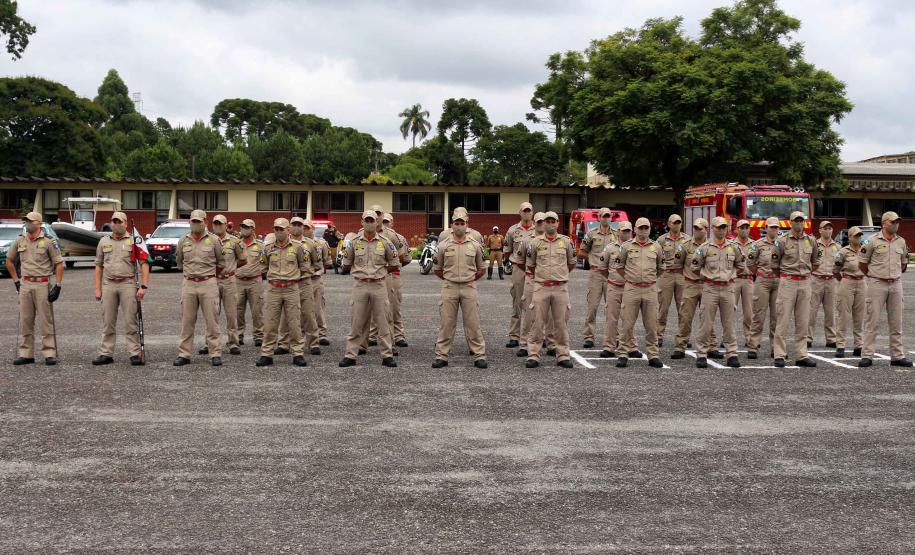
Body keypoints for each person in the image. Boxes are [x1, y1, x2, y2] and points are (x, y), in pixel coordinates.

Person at [339, 210, 400, 368]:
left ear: (377, 222)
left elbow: (394, 264)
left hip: (379, 285)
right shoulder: (353, 242)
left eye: (372, 220)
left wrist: (380, 272)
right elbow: (346, 263)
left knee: (383, 321)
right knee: (356, 321)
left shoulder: (386, 242)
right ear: (361, 222)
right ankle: (350, 355)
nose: (369, 223)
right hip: (360, 285)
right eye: (366, 220)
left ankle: (387, 355)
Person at [92, 211, 149, 366]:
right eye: (114, 221)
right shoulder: (103, 241)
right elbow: (98, 265)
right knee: (108, 321)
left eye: (119, 222)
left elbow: (144, 264)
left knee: (131, 320)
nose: (116, 224)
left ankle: (135, 353)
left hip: (128, 284)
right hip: (109, 284)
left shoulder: (134, 240)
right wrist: (97, 288)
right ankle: (106, 353)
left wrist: (143, 286)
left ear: (125, 223)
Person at [7, 211, 65, 365]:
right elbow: (9, 260)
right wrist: (16, 281)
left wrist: (58, 286)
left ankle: (49, 353)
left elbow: (59, 264)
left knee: (46, 321)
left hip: (42, 284)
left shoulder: (48, 242)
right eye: (26, 221)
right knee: (25, 320)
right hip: (25, 284)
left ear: (39, 223)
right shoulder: (20, 240)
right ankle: (26, 353)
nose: (28, 223)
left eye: (31, 221)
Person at [432, 213, 487, 368]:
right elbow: (437, 269)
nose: (459, 226)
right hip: (449, 287)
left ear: (467, 225)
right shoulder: (443, 246)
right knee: (446, 323)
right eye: (456, 223)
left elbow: (481, 269)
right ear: (452, 225)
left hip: (469, 287)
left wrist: (468, 279)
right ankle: (441, 356)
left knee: (473, 323)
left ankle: (479, 355)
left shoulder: (475, 246)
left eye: (462, 223)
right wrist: (451, 279)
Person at [693, 216, 747, 368]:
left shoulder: (734, 247)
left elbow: (741, 264)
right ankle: (702, 354)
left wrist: (731, 276)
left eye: (724, 227)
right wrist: (708, 278)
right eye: (718, 227)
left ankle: (732, 354)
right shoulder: (704, 248)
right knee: (706, 323)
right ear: (712, 229)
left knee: (729, 323)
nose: (722, 230)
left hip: (728, 288)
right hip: (710, 288)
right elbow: (695, 267)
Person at [859, 211, 912, 367]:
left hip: (896, 284)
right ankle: (867, 355)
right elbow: (862, 263)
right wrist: (873, 276)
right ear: (884, 223)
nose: (896, 224)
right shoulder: (871, 241)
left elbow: (903, 263)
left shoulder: (901, 242)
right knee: (872, 321)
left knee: (896, 322)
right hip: (877, 284)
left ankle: (897, 356)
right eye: (893, 222)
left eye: (898, 222)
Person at [174, 209, 225, 367]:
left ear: (205, 223)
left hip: (208, 283)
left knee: (212, 321)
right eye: (193, 221)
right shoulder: (183, 240)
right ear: (189, 222)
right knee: (187, 321)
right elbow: (179, 262)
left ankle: (215, 353)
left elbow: (221, 263)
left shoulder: (215, 240)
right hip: (189, 284)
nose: (195, 224)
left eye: (199, 221)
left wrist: (208, 276)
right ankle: (184, 354)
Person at [254, 218, 309, 367]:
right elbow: (263, 266)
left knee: (294, 322)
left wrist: (293, 279)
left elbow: (304, 266)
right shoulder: (268, 248)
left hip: (291, 288)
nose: (278, 232)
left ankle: (298, 353)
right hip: (273, 289)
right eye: (276, 229)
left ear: (288, 230)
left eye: (281, 229)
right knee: (270, 322)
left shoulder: (298, 247)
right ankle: (266, 354)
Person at [524, 211, 575, 368]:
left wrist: (559, 275)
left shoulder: (566, 242)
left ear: (558, 223)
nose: (550, 223)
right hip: (541, 287)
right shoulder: (535, 243)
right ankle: (533, 354)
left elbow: (571, 263)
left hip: (560, 288)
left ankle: (563, 355)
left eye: (553, 221)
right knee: (537, 322)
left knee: (561, 323)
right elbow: (530, 265)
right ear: (543, 224)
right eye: (548, 221)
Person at [772, 211, 822, 368]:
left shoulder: (811, 241)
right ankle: (779, 354)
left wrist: (805, 275)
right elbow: (775, 265)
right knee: (783, 319)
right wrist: (787, 276)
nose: (799, 223)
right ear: (790, 222)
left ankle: (801, 354)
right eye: (796, 220)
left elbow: (815, 262)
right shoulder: (781, 241)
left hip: (805, 282)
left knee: (803, 321)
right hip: (788, 281)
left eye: (801, 220)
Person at [615, 217, 664, 368]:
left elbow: (661, 268)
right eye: (640, 228)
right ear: (635, 229)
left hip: (650, 289)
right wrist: (631, 279)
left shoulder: (656, 247)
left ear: (650, 229)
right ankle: (623, 353)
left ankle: (653, 355)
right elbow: (619, 266)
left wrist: (649, 280)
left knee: (651, 325)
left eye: (646, 228)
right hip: (632, 288)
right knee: (627, 324)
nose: (643, 231)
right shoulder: (626, 246)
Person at [200, 214, 245, 356]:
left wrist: (230, 268)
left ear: (226, 225)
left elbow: (243, 259)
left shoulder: (235, 242)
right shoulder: (207, 240)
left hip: (229, 280)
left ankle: (233, 343)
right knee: (211, 314)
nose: (218, 226)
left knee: (232, 313)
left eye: (221, 224)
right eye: (215, 224)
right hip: (212, 280)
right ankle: (210, 343)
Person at [276, 217, 321, 355]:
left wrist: (306, 272)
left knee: (308, 313)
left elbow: (317, 263)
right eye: (294, 224)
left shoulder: (311, 244)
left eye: (299, 225)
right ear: (289, 227)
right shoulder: (281, 243)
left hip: (304, 283)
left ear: (303, 227)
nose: (296, 227)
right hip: (287, 283)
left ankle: (313, 343)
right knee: (286, 315)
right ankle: (283, 343)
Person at [671, 218, 714, 359]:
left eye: (699, 228)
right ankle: (680, 346)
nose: (696, 230)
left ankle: (712, 346)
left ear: (706, 229)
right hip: (690, 285)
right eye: (695, 228)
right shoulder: (685, 245)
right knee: (685, 317)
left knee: (708, 317)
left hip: (708, 285)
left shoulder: (713, 246)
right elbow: (678, 265)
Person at [518, 212, 556, 358]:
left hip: (548, 281)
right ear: (535, 222)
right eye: (539, 222)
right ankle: (524, 344)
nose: (541, 224)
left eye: (543, 222)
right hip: (531, 279)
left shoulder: (555, 240)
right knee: (529, 312)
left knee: (550, 314)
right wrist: (532, 274)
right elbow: (520, 260)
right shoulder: (528, 240)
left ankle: (551, 343)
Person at [578, 207, 617, 348]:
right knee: (592, 307)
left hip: (612, 275)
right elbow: (581, 252)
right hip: (596, 274)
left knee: (612, 308)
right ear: (598, 218)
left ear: (611, 218)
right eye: (603, 216)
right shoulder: (591, 234)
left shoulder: (617, 235)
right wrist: (593, 259)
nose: (606, 218)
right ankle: (589, 337)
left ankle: (613, 337)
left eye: (608, 216)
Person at [745, 217, 782, 359]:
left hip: (778, 281)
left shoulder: (783, 244)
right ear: (766, 228)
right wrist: (759, 274)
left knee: (776, 316)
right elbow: (750, 262)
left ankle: (776, 348)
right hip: (763, 281)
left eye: (776, 227)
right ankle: (753, 346)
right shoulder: (757, 245)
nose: (774, 229)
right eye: (771, 227)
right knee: (758, 314)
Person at [597, 220, 632, 358]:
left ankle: (630, 346)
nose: (626, 233)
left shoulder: (635, 247)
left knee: (629, 319)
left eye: (628, 231)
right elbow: (602, 267)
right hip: (614, 287)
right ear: (618, 232)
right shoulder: (610, 248)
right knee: (611, 318)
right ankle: (609, 346)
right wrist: (613, 278)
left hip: (630, 288)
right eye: (623, 231)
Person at [503, 202, 536, 348]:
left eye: (529, 210)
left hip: (535, 270)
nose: (527, 213)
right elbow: (507, 250)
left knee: (536, 304)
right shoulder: (512, 231)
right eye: (525, 211)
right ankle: (514, 336)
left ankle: (535, 335)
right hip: (518, 269)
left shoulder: (539, 228)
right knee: (517, 302)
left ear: (533, 212)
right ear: (520, 213)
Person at [655, 214, 689, 346]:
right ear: (669, 224)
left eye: (679, 222)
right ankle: (658, 336)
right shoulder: (661, 240)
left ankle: (683, 337)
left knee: (683, 309)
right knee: (662, 308)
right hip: (666, 275)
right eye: (674, 223)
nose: (677, 225)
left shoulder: (687, 240)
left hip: (682, 276)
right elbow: (656, 258)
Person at [832, 226, 866, 358]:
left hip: (862, 282)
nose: (858, 238)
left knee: (860, 316)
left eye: (860, 235)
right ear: (850, 237)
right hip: (847, 281)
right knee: (843, 315)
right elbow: (835, 269)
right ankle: (840, 345)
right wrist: (844, 280)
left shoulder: (864, 250)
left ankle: (859, 345)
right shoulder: (843, 252)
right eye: (856, 235)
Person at [807, 221, 840, 348]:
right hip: (816, 279)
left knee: (831, 311)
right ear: (820, 230)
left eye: (830, 228)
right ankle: (808, 338)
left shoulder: (837, 246)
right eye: (825, 228)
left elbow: (840, 264)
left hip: (831, 280)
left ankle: (831, 338)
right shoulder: (814, 244)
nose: (828, 230)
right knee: (811, 311)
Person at [235, 219, 265, 347]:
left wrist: (259, 272)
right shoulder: (236, 244)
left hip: (254, 281)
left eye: (247, 227)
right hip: (238, 281)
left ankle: (259, 336)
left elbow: (266, 262)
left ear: (253, 229)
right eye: (242, 227)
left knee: (257, 310)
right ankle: (238, 335)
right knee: (237, 310)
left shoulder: (260, 245)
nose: (244, 229)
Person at [304, 219, 333, 346]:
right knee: (299, 310)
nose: (305, 230)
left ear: (313, 229)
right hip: (301, 280)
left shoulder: (321, 243)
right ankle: (299, 335)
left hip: (315, 280)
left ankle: (321, 335)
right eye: (303, 227)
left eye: (308, 228)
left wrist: (317, 271)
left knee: (318, 308)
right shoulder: (295, 243)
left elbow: (327, 262)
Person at [732, 219, 755, 344]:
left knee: (749, 312)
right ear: (737, 229)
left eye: (747, 227)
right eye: (742, 227)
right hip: (734, 280)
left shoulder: (754, 245)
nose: (745, 230)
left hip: (748, 280)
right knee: (729, 311)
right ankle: (728, 338)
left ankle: (749, 338)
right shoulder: (731, 244)